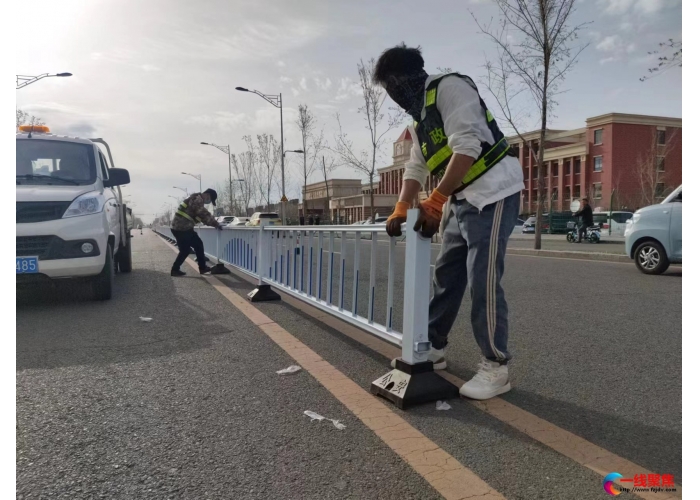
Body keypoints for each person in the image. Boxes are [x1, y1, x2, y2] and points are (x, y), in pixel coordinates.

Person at [376, 44, 524, 400]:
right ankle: (434, 345)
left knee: (482, 279)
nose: (394, 96)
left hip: (493, 190)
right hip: (461, 198)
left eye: (392, 86)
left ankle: (495, 365)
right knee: (447, 275)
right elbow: (416, 166)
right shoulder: (420, 117)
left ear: (404, 79)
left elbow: (468, 146)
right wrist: (402, 205)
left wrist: (436, 199)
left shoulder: (450, 88)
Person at [170, 188, 222, 276]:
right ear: (207, 195)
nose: (208, 202)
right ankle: (201, 268)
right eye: (210, 199)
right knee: (196, 246)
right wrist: (216, 224)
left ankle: (176, 269)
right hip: (183, 228)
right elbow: (203, 214)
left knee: (187, 249)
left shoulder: (194, 198)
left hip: (179, 227)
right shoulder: (197, 200)